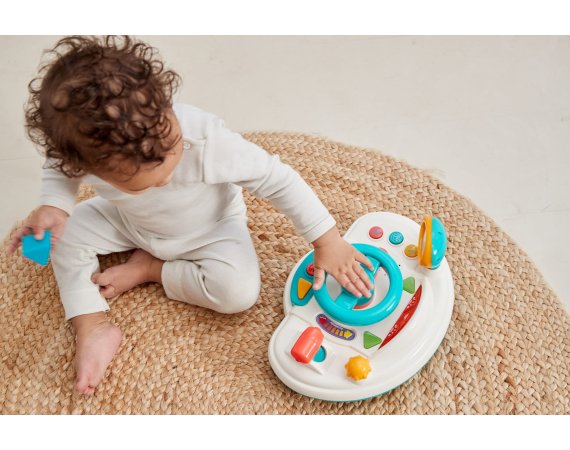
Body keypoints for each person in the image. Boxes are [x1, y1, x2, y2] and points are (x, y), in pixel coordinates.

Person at [7, 35, 374, 395]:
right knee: (62, 237)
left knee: (237, 293)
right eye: (147, 183)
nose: (168, 178)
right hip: (128, 223)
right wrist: (54, 207)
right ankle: (91, 323)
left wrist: (327, 241)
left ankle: (151, 269)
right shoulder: (83, 153)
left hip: (211, 229)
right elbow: (59, 170)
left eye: (172, 152)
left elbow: (278, 179)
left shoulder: (207, 141)